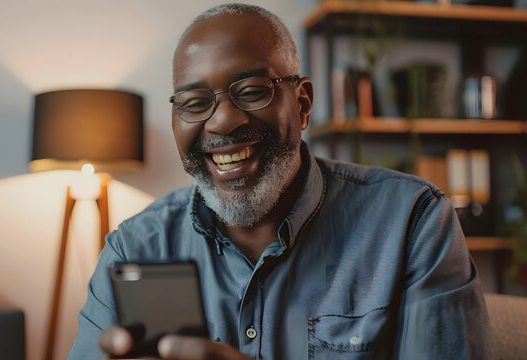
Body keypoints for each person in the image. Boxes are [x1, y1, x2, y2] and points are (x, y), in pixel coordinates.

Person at [68, 3, 492, 359]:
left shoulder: (412, 222)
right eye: (194, 102)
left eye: (251, 91)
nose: (222, 122)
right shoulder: (135, 246)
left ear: (303, 104)